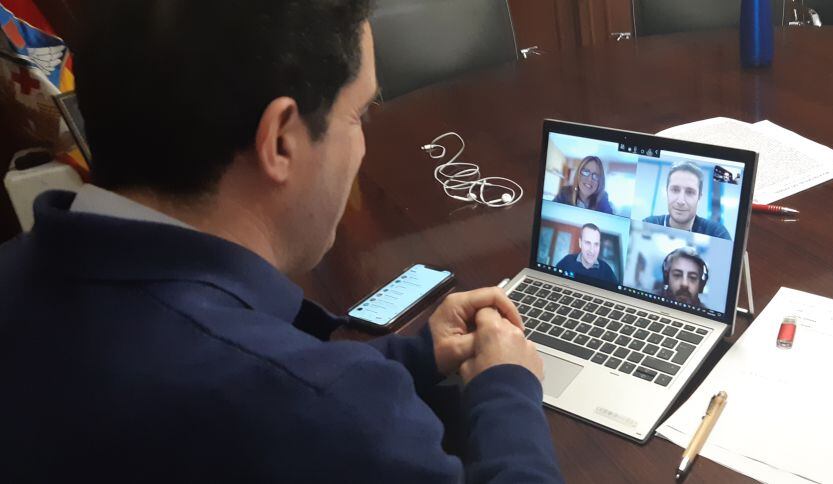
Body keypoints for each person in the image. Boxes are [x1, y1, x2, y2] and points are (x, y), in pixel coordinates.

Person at [0, 1, 561, 482]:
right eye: (358, 113)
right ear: (281, 141)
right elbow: (287, 397)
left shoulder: (20, 272)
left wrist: (413, 356)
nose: (362, 144)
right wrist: (505, 386)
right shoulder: (327, 417)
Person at [643, 162, 731, 240]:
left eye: (690, 192)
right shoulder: (648, 224)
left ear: (699, 196)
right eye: (675, 190)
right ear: (667, 192)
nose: (681, 201)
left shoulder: (717, 233)